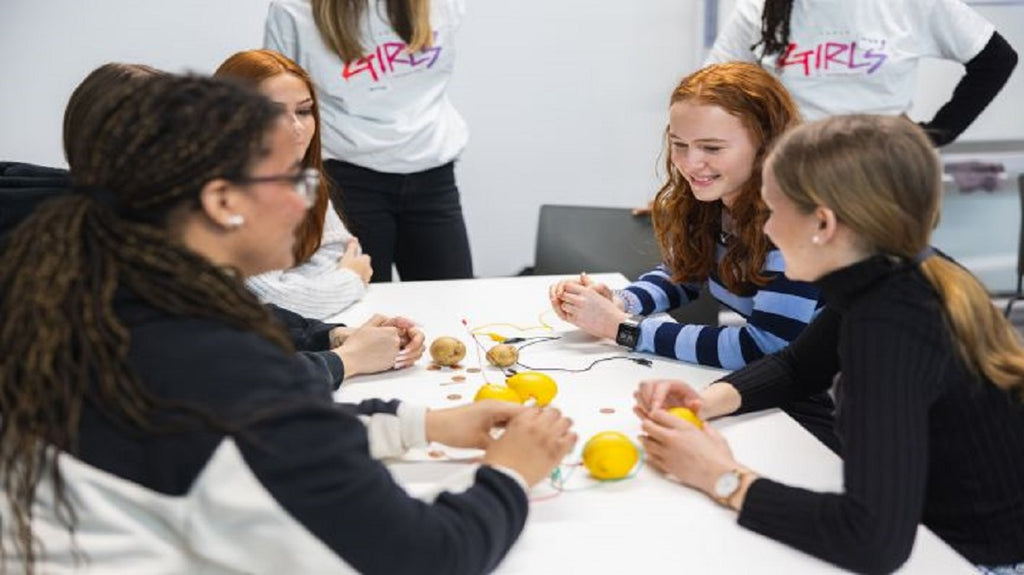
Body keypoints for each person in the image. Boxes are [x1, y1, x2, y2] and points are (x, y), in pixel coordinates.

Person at [0, 74, 577, 573]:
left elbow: (265, 435)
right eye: (291, 180)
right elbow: (427, 557)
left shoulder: (103, 298)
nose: (307, 203)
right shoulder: (214, 365)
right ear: (224, 200)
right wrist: (509, 476)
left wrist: (420, 424)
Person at [634, 115, 1024, 573]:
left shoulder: (886, 329)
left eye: (773, 211)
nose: (768, 229)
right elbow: (800, 367)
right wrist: (705, 401)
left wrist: (719, 476)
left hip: (969, 559)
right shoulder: (896, 270)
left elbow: (872, 541)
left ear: (823, 223)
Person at [0, 62, 420, 387]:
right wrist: (344, 361)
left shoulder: (115, 219)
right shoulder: (88, 259)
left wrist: (329, 336)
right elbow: (221, 380)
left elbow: (220, 306)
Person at [549, 63, 822, 372]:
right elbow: (685, 273)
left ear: (766, 145)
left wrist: (622, 329)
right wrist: (620, 301)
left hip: (824, 397)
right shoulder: (714, 201)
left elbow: (762, 348)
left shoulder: (795, 223)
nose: (691, 164)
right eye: (679, 144)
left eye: (711, 147)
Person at [264, 0, 474, 282]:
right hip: (347, 178)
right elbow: (275, 102)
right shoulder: (293, 10)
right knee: (361, 308)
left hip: (433, 175)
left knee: (454, 302)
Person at [705, 0, 1018, 147]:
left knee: (880, 276)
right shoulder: (760, 9)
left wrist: (936, 133)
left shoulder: (912, 5)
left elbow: (996, 60)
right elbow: (712, 89)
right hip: (793, 170)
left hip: (881, 176)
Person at [215, 49, 372, 319]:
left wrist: (305, 288)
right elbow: (270, 300)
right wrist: (349, 281)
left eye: (304, 110)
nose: (296, 127)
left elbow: (342, 253)